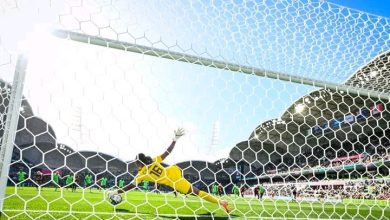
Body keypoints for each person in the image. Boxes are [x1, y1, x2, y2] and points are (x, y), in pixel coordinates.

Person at [113, 128, 229, 213]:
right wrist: (174, 139)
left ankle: (221, 202)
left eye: (136, 162)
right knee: (192, 192)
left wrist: (117, 192)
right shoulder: (153, 160)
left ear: (139, 163)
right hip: (174, 170)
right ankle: (218, 201)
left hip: (174, 180)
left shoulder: (141, 174)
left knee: (197, 192)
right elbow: (167, 152)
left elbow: (130, 186)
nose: (135, 164)